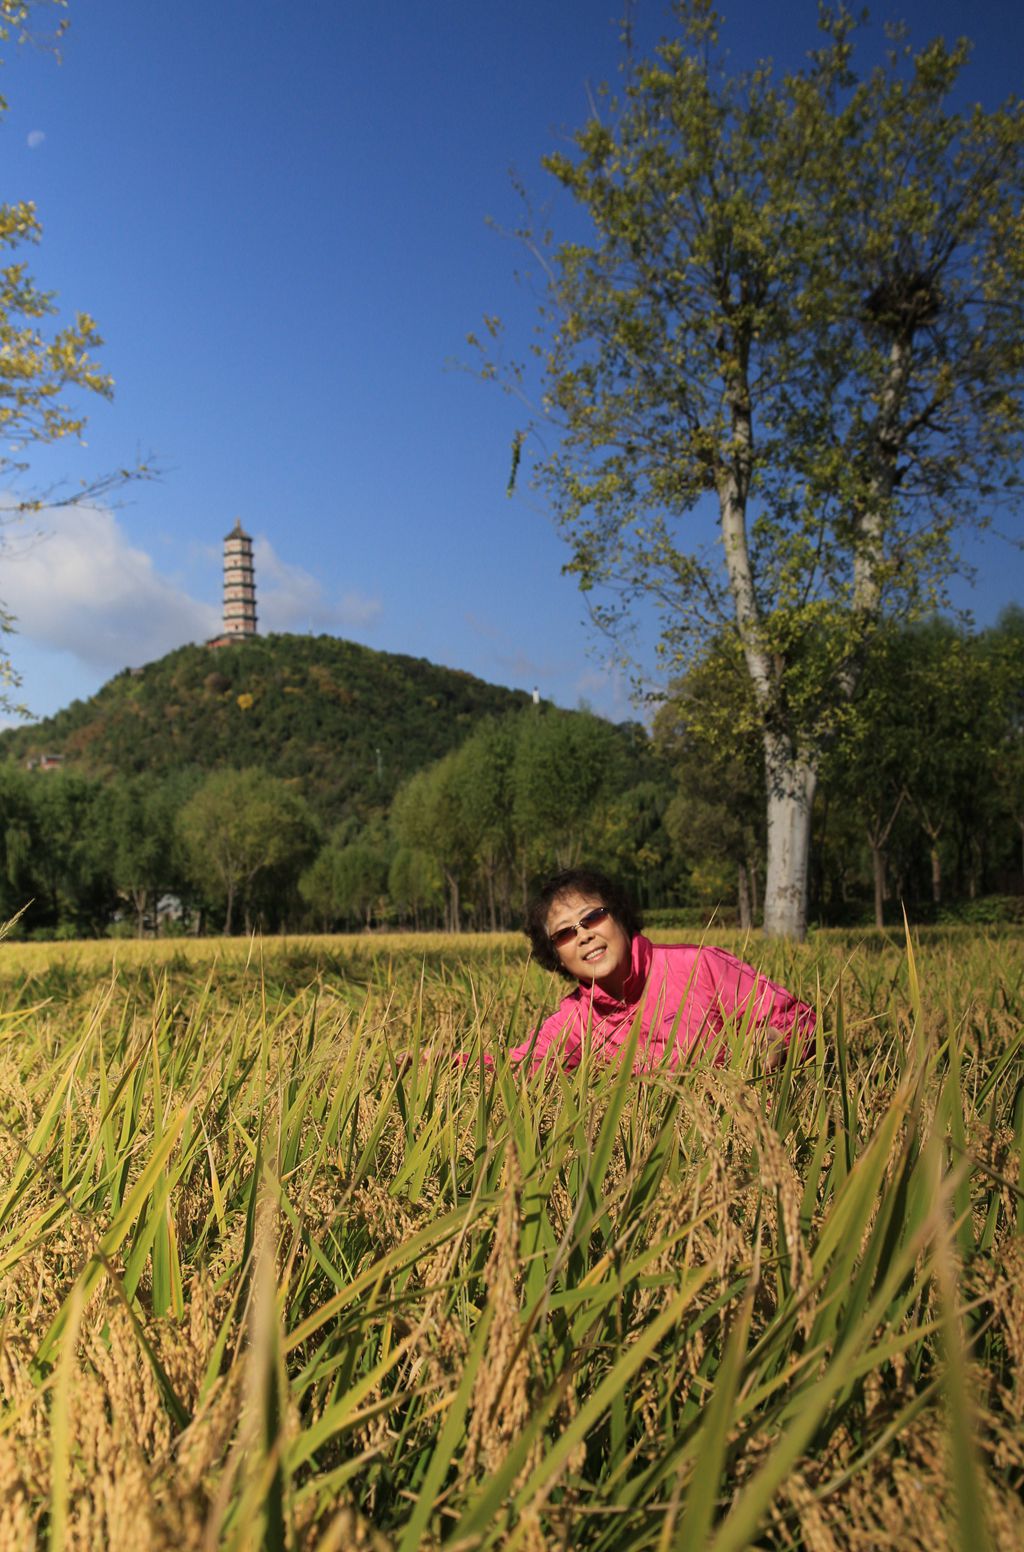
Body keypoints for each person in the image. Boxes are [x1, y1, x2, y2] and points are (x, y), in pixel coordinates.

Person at [468, 866, 815, 1074]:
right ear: (557, 956)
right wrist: (440, 1063)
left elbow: (801, 1021)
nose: (584, 934)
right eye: (564, 933)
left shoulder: (699, 966)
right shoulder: (573, 1021)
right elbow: (515, 1067)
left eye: (592, 917)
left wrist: (773, 1041)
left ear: (618, 916)